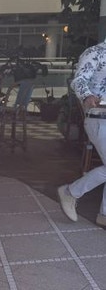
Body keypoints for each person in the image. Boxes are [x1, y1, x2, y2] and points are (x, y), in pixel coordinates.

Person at [57, 40, 106, 227]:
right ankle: (71, 192)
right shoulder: (95, 53)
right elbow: (79, 80)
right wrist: (87, 95)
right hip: (99, 118)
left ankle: (104, 214)